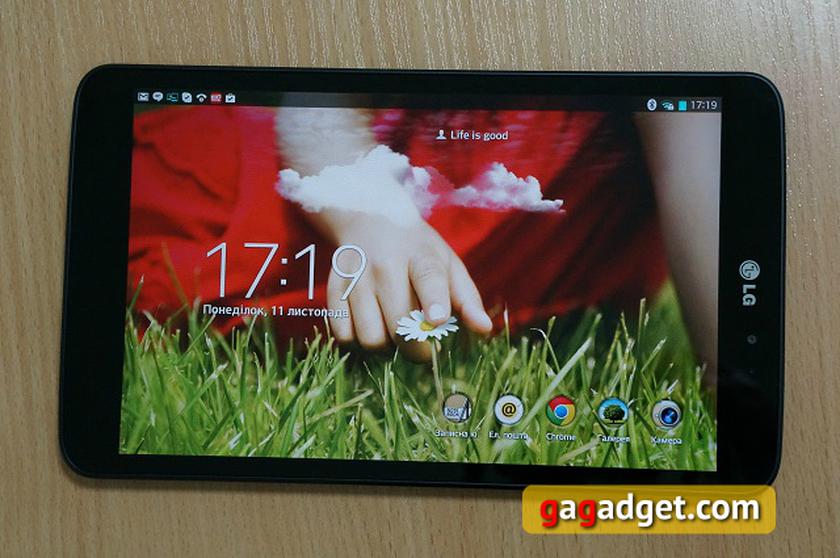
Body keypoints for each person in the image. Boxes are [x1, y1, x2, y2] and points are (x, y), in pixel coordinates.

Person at [129, 104, 719, 371]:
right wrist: (372, 209)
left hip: (521, 273)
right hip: (267, 208)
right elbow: (320, 104)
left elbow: (705, 156)